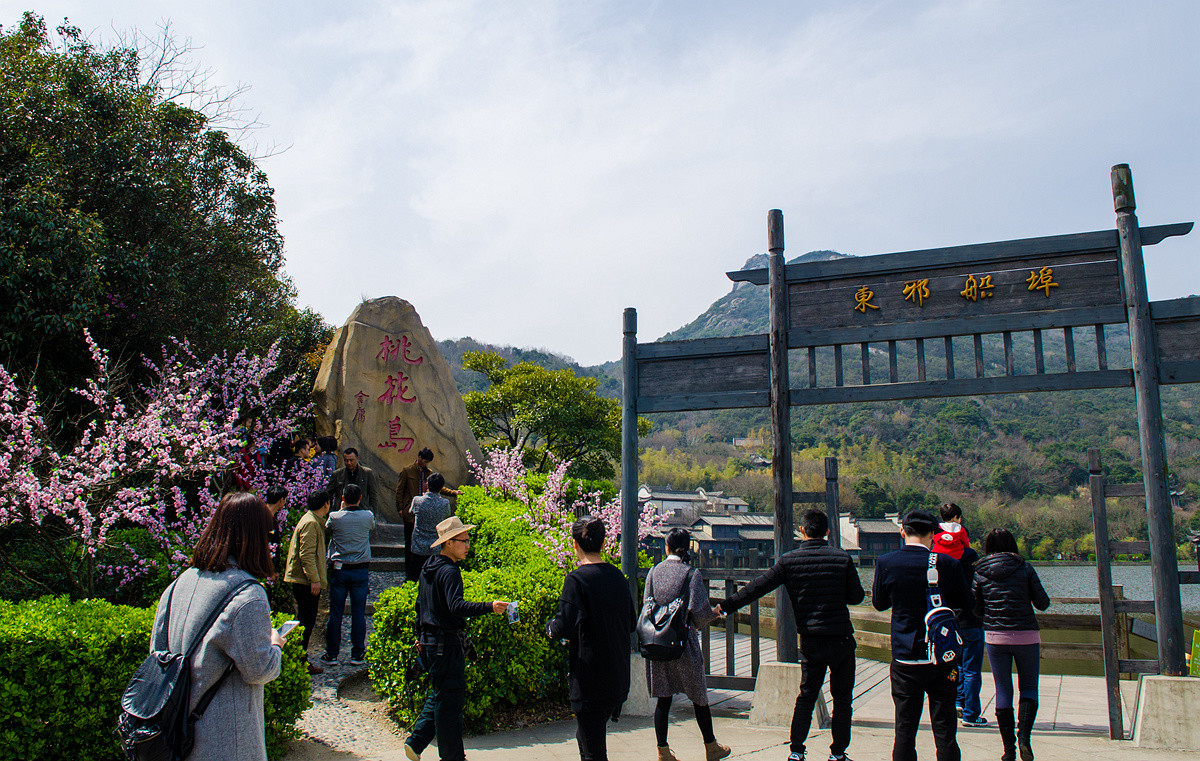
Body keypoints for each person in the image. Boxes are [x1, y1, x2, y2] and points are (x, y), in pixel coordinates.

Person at [150, 492, 284, 761]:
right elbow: (259, 669)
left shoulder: (179, 584)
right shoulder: (247, 594)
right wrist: (275, 645)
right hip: (225, 736)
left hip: (174, 732)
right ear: (255, 537)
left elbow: (156, 651)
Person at [719, 509, 862, 761]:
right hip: (840, 638)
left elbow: (757, 587)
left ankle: (797, 750)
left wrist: (727, 606)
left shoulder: (789, 561)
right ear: (827, 532)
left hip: (811, 639)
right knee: (842, 700)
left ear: (802, 531)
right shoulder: (842, 558)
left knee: (806, 695)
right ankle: (838, 753)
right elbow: (856, 597)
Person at [872, 508, 973, 761]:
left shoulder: (886, 562)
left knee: (905, 728)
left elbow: (879, 603)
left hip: (905, 656)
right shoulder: (948, 564)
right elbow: (968, 603)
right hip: (942, 658)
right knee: (946, 728)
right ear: (932, 535)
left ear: (902, 531)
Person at [406, 516, 509, 761]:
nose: (468, 544)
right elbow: (456, 606)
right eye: (463, 540)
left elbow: (420, 606)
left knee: (441, 694)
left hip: (431, 643)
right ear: (448, 543)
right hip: (446, 645)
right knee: (449, 703)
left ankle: (416, 741)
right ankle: (452, 756)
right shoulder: (449, 570)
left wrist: (419, 636)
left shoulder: (429, 567)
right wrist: (489, 606)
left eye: (467, 539)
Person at [548, 516, 637, 761]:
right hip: (617, 676)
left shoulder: (576, 580)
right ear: (603, 542)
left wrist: (550, 627)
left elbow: (562, 627)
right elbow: (631, 623)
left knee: (593, 752)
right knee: (587, 738)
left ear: (574, 544)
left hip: (590, 679)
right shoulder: (618, 577)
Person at [973, 528, 1051, 761]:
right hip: (1026, 636)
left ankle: (1008, 750)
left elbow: (976, 609)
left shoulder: (979, 571)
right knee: (1028, 688)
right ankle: (1025, 738)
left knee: (1003, 689)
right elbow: (1043, 603)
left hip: (996, 637)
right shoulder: (1025, 567)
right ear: (1013, 545)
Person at [934, 504, 985, 728]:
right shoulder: (970, 554)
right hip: (968, 616)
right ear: (959, 519)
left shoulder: (933, 553)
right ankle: (971, 714)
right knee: (971, 667)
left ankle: (955, 702)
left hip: (942, 616)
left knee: (949, 663)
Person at [321, 483, 375, 667]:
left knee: (336, 612)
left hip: (340, 569)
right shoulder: (367, 516)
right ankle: (358, 653)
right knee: (358, 613)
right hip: (360, 569)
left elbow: (328, 529)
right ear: (360, 498)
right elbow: (371, 527)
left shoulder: (335, 517)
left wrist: (341, 508)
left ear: (342, 499)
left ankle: (332, 654)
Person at [283, 490, 332, 674]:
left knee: (306, 620)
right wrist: (314, 580)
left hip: (303, 580)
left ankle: (301, 659)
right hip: (304, 581)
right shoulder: (311, 523)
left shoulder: (311, 520)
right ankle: (300, 660)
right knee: (306, 621)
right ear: (325, 505)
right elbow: (306, 555)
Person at [397, 448, 460, 582]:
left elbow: (438, 488)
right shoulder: (407, 471)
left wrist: (454, 493)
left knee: (418, 548)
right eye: (424, 461)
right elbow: (400, 490)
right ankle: (409, 571)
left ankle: (414, 576)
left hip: (420, 507)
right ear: (419, 457)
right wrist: (400, 507)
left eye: (427, 462)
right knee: (409, 544)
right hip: (411, 512)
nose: (425, 464)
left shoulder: (429, 473)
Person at [410, 473, 453, 578]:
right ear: (442, 487)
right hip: (436, 547)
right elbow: (446, 518)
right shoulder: (445, 503)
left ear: (427, 485)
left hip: (418, 546)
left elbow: (411, 512)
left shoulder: (417, 500)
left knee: (415, 577)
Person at [327, 447, 378, 514]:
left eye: (351, 460)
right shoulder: (337, 474)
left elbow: (373, 495)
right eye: (346, 460)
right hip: (341, 512)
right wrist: (330, 511)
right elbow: (329, 494)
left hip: (362, 511)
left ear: (357, 459)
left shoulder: (367, 473)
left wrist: (372, 512)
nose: (349, 463)